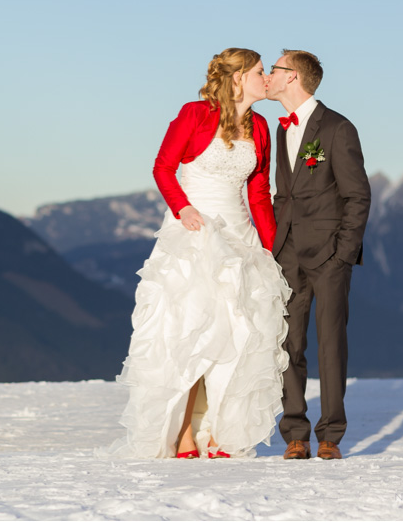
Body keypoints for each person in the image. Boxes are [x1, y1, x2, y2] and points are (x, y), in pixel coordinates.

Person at [106, 48, 291, 459]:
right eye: (261, 72)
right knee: (192, 333)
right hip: (194, 233)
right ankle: (184, 433)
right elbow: (162, 166)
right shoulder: (194, 113)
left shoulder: (259, 126)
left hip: (240, 236)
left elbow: (259, 193)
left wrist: (271, 246)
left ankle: (226, 432)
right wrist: (183, 207)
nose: (268, 78)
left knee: (240, 335)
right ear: (240, 77)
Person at [264, 49, 371, 461]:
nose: (268, 76)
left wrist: (343, 254)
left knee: (330, 344)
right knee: (287, 344)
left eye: (273, 69)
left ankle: (330, 434)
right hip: (287, 254)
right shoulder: (281, 130)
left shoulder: (338, 128)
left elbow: (357, 195)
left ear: (292, 77)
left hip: (329, 255)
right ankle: (295, 433)